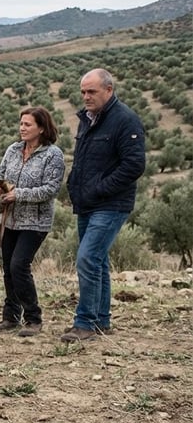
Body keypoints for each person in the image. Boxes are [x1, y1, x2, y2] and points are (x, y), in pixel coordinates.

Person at [62, 68, 146, 342]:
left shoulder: (125, 120)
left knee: (87, 258)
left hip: (110, 204)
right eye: (83, 92)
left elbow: (134, 165)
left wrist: (99, 189)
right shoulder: (88, 119)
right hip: (87, 203)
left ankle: (84, 322)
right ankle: (101, 320)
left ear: (109, 90)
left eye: (92, 91)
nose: (86, 97)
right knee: (97, 261)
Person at [0, 107, 66, 337]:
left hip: (35, 222)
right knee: (8, 269)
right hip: (9, 219)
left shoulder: (53, 155)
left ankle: (33, 318)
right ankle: (11, 317)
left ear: (41, 128)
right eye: (21, 123)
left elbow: (51, 189)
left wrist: (19, 194)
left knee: (19, 265)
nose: (22, 128)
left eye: (28, 124)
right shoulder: (13, 149)